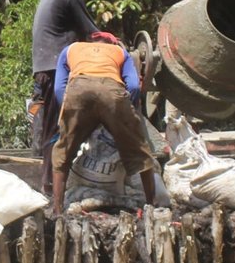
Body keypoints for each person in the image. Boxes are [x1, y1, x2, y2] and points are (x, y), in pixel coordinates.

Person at [50, 31, 158, 217]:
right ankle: (152, 206)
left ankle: (58, 210)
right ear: (112, 43)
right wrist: (127, 114)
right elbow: (133, 86)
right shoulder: (120, 52)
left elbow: (59, 88)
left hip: (78, 90)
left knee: (63, 152)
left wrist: (69, 116)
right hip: (112, 93)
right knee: (139, 151)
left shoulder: (70, 49)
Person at [30, 0, 97, 193]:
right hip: (55, 69)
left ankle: (50, 181)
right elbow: (92, 33)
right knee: (58, 127)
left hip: (42, 69)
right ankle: (51, 185)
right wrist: (116, 46)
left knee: (49, 126)